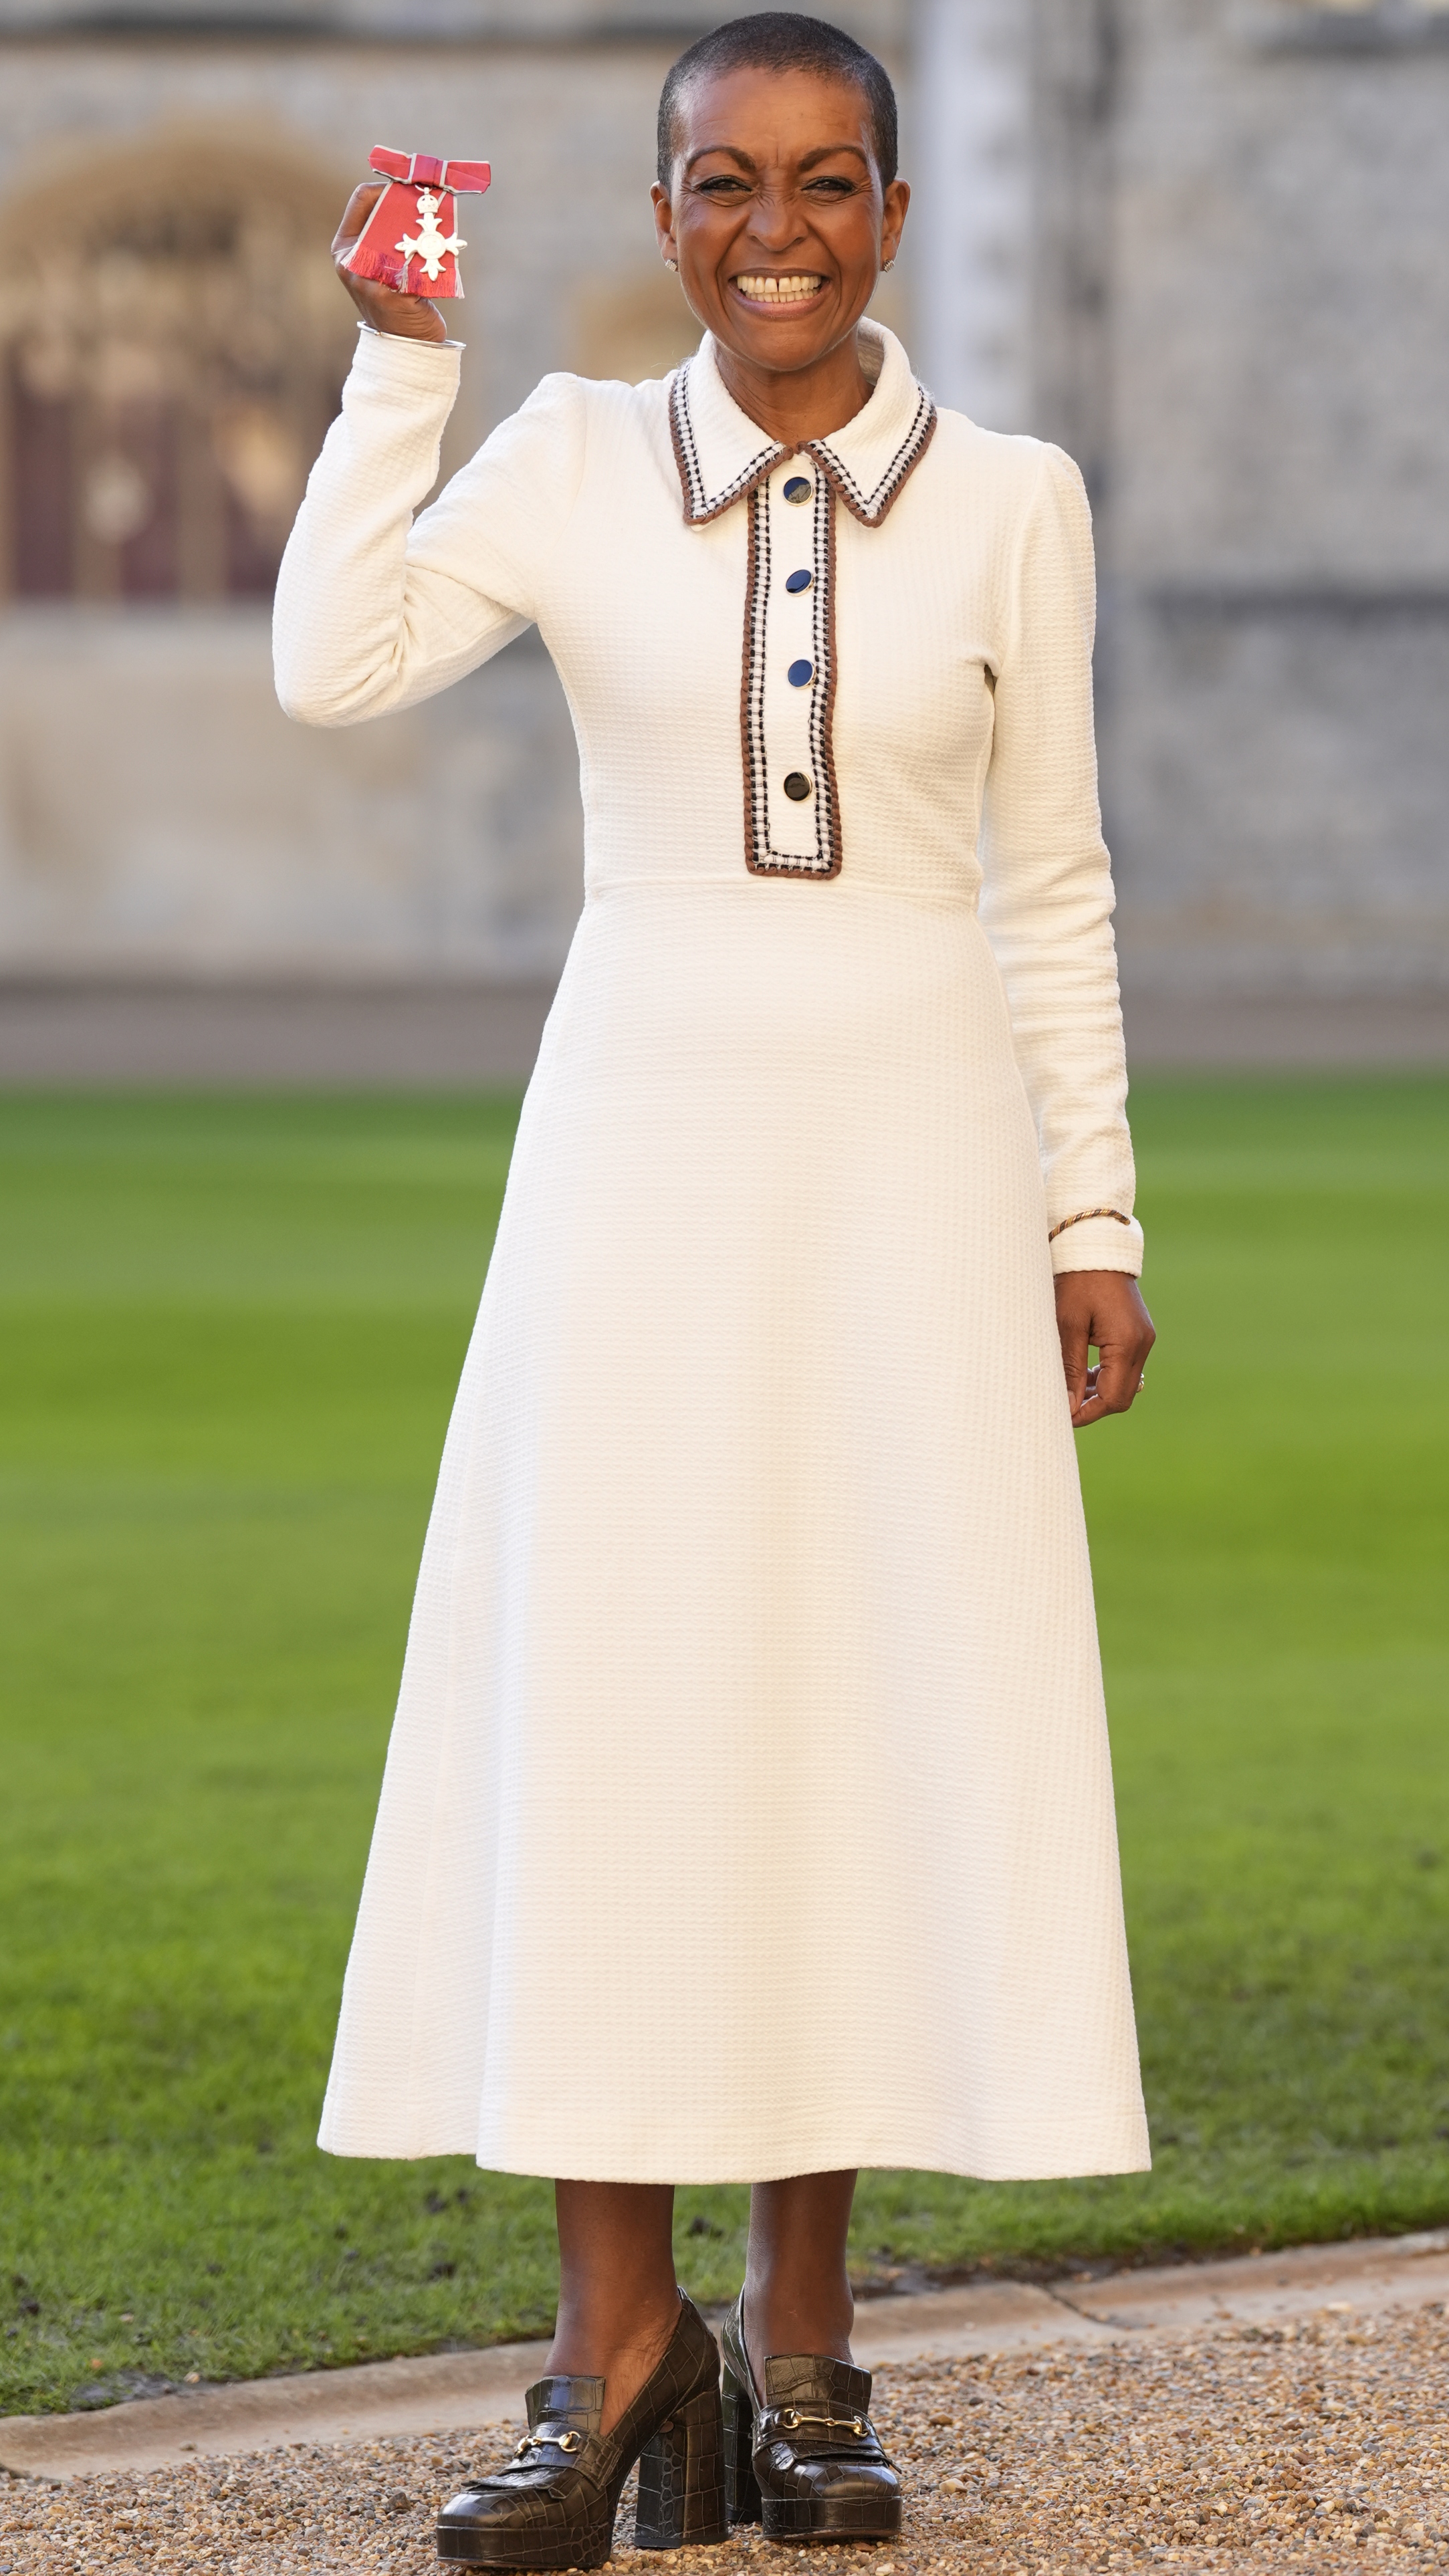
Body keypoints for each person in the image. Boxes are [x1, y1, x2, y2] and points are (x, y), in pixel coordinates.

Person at [273, 12, 1157, 2567]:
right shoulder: (561, 453)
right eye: (727, 180)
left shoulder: (1012, 502)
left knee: (851, 1709)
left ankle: (814, 2357)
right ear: (665, 210)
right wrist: (402, 356)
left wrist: (1088, 1219)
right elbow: (331, 667)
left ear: (896, 210)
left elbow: (1055, 885)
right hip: (639, 1148)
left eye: (831, 178)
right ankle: (611, 2359)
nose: (780, 224)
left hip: (913, 1160)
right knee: (631, 1719)